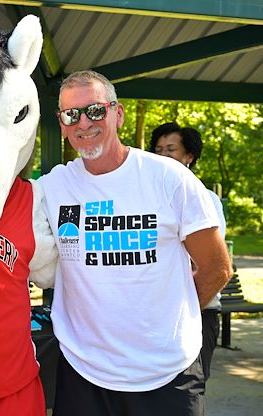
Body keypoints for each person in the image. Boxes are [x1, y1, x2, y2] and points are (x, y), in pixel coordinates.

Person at [37, 70, 232, 416]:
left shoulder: (169, 178)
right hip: (83, 374)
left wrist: (174, 314)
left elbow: (218, 268)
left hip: (167, 373)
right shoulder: (52, 187)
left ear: (118, 113)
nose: (84, 123)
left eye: (95, 110)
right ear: (62, 124)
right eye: (71, 114)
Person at [150, 122, 228, 381]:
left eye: (171, 149)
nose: (163, 156)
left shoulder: (205, 198)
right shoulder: (147, 198)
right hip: (157, 314)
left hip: (199, 310)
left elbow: (207, 264)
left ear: (189, 156)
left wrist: (189, 310)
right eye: (158, 149)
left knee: (188, 388)